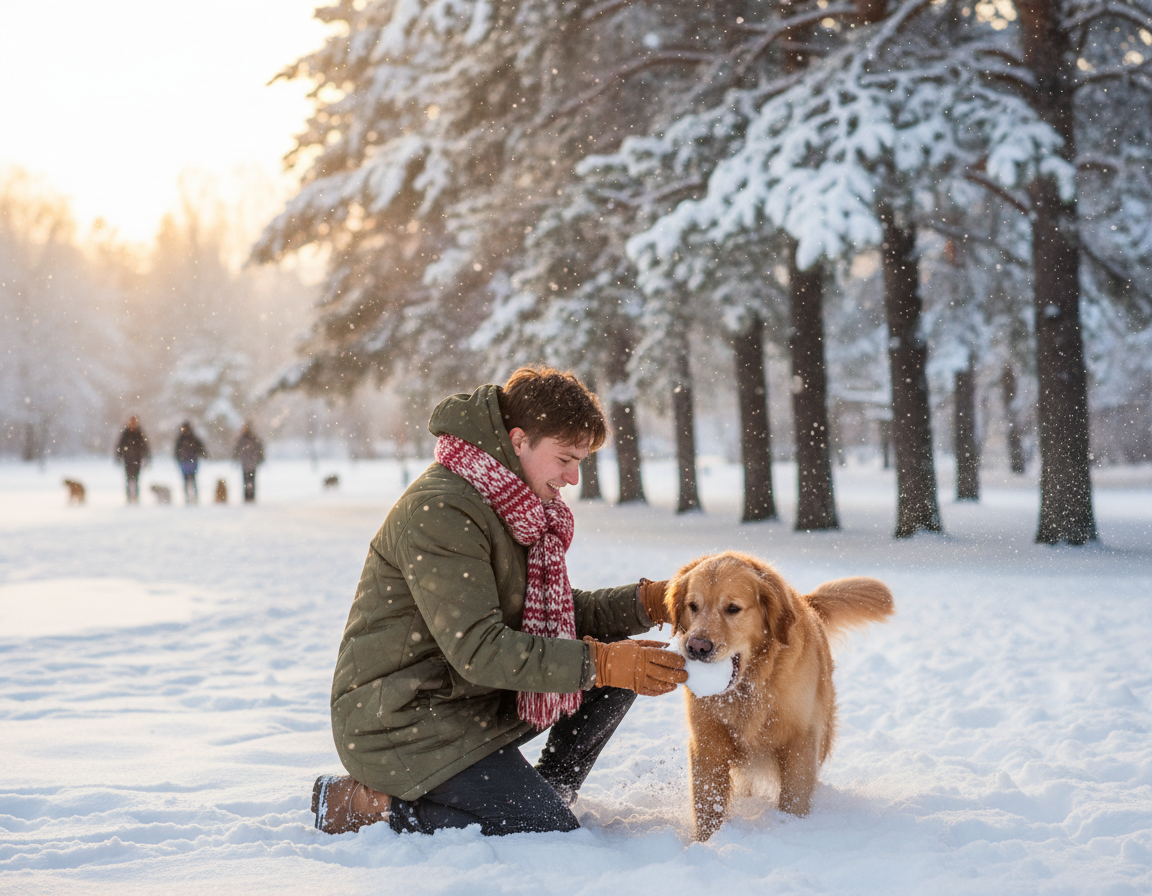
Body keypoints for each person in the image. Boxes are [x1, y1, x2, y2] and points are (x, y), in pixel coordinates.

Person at [312, 366, 686, 837]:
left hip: (467, 697)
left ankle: (552, 790)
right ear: (518, 440)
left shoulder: (517, 503)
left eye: (581, 461)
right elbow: (479, 648)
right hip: (402, 719)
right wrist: (603, 664)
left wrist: (651, 602)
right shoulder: (444, 509)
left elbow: (552, 615)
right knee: (545, 830)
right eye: (565, 458)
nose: (573, 477)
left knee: (611, 654)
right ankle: (369, 803)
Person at [114, 416, 150, 504]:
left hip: (137, 459)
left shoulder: (139, 433)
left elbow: (145, 446)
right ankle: (129, 497)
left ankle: (136, 497)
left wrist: (147, 457)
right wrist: (118, 456)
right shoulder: (125, 433)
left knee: (136, 479)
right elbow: (119, 446)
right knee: (128, 479)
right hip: (127, 460)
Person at [174, 421, 207, 504]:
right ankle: (188, 497)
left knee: (192, 479)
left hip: (190, 461)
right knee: (187, 480)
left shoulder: (190, 438)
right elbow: (177, 450)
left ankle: (193, 497)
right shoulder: (182, 439)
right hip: (186, 461)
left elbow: (200, 447)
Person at [232, 422, 265, 503]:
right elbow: (260, 450)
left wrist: (235, 458)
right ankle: (250, 496)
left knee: (246, 480)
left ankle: (247, 496)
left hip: (246, 463)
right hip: (251, 463)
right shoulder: (253, 439)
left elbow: (237, 450)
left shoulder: (243, 439)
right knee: (251, 480)